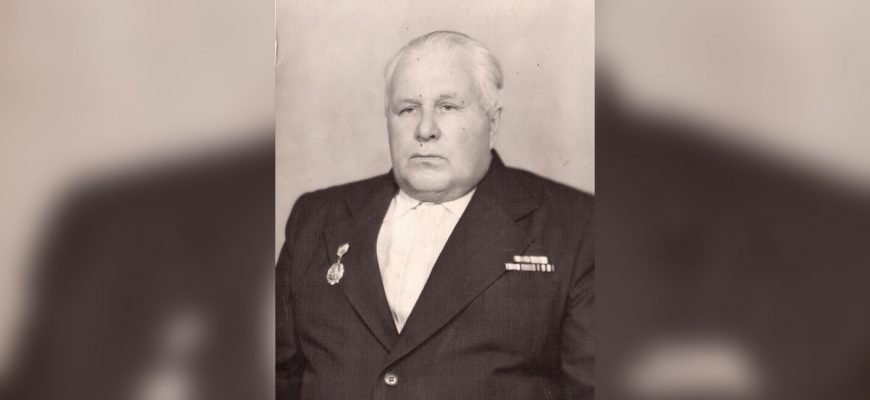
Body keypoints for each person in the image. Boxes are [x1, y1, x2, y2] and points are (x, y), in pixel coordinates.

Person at [276, 31, 594, 400]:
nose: (425, 130)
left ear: (492, 123)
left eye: (448, 107)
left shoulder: (574, 226)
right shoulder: (317, 219)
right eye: (408, 109)